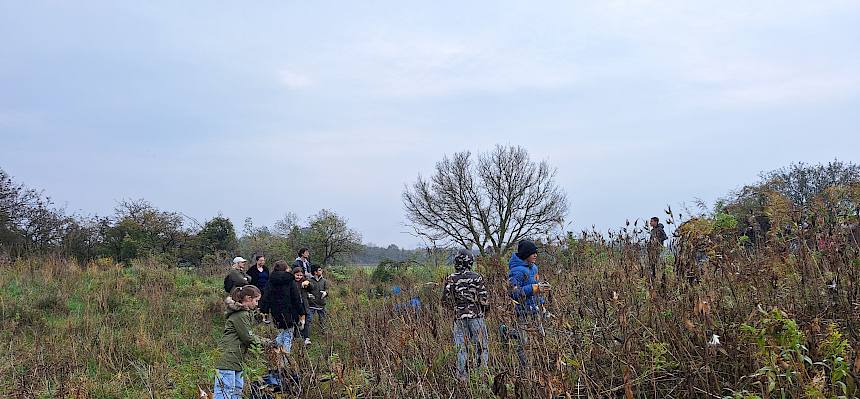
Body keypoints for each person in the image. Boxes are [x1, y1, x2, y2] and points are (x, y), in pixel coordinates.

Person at [441, 249, 489, 382]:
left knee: (461, 347)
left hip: (459, 319)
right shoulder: (477, 277)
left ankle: (462, 377)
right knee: (481, 346)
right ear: (470, 262)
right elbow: (484, 299)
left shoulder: (451, 278)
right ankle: (481, 376)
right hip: (476, 318)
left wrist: (456, 309)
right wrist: (484, 312)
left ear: (456, 262)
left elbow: (445, 300)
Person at [213, 285, 264, 399]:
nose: (257, 304)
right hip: (228, 360)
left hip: (237, 360)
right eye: (256, 301)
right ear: (248, 298)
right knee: (225, 393)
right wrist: (266, 343)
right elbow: (247, 337)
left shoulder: (244, 314)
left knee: (236, 392)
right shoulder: (241, 315)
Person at [506, 239, 550, 367]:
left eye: (536, 252)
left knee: (541, 337)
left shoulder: (534, 268)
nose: (535, 255)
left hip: (535, 310)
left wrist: (542, 305)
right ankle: (525, 368)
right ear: (525, 254)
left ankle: (540, 365)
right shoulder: (516, 271)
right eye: (532, 253)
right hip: (523, 312)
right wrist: (534, 288)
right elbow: (514, 293)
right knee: (524, 341)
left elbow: (538, 288)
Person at [259, 261, 306, 355]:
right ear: (285, 269)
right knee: (288, 335)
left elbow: (266, 297)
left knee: (284, 332)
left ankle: (274, 347)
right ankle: (284, 359)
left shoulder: (270, 281)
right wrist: (302, 313)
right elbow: (296, 298)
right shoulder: (290, 281)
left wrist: (264, 312)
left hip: (276, 312)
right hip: (290, 312)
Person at [305, 264, 328, 337]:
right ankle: (307, 335)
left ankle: (323, 332)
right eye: (319, 270)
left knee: (323, 319)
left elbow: (327, 289)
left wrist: (326, 293)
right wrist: (308, 295)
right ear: (315, 272)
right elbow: (305, 291)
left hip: (321, 304)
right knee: (309, 319)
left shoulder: (324, 281)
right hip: (312, 304)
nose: (321, 271)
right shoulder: (309, 281)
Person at [292, 266, 312, 345]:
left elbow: (312, 288)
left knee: (305, 322)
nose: (299, 277)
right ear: (293, 274)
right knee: (295, 321)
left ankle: (306, 338)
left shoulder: (304, 282)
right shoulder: (291, 282)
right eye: (297, 275)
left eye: (301, 275)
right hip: (294, 305)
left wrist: (308, 284)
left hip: (303, 305)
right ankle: (295, 337)